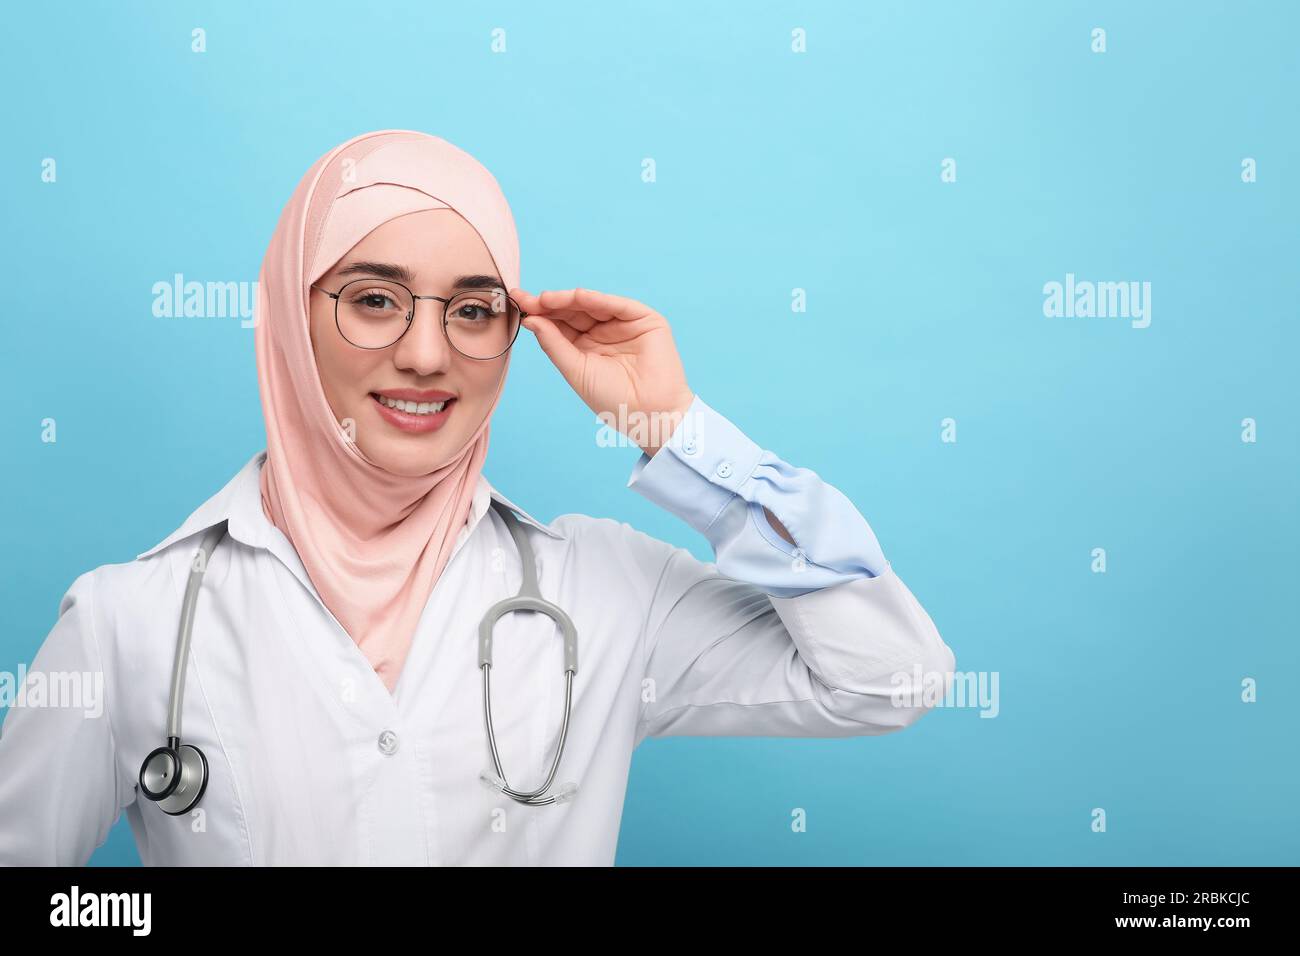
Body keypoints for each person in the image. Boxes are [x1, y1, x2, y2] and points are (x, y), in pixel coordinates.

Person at [0, 129, 955, 866]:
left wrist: (679, 434)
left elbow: (890, 677)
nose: (426, 353)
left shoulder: (605, 590)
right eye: (374, 299)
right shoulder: (129, 622)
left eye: (472, 310)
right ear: (293, 319)